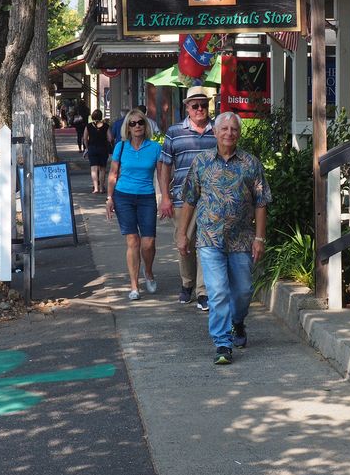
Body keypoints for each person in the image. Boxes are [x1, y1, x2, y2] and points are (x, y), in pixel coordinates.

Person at [177, 111, 271, 365]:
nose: (229, 133)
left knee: (242, 291)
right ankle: (222, 342)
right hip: (209, 238)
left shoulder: (251, 164)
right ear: (215, 132)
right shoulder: (202, 162)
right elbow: (189, 199)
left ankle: (237, 322)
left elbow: (261, 202)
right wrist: (182, 234)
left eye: (234, 129)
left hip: (241, 239)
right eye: (224, 129)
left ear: (239, 134)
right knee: (218, 292)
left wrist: (259, 238)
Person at [159, 86, 217, 311]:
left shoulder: (218, 130)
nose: (200, 109)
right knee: (184, 243)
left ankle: (203, 291)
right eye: (195, 106)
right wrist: (165, 196)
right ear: (187, 108)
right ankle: (187, 283)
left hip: (211, 200)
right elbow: (164, 165)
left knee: (206, 245)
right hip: (182, 199)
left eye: (204, 105)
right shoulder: (174, 132)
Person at [105, 108, 162, 301]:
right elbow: (113, 174)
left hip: (146, 197)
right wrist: (109, 198)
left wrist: (164, 198)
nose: (137, 126)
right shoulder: (121, 147)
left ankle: (149, 271)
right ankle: (134, 286)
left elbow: (161, 175)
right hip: (124, 197)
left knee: (148, 243)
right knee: (133, 241)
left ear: (146, 126)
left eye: (140, 123)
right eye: (132, 123)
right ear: (127, 128)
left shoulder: (155, 148)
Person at [82, 109, 110, 194]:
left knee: (93, 169)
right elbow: (110, 138)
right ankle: (102, 188)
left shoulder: (88, 126)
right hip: (103, 149)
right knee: (102, 169)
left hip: (92, 148)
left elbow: (85, 138)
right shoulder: (106, 126)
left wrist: (87, 147)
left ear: (92, 116)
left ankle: (96, 188)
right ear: (101, 116)